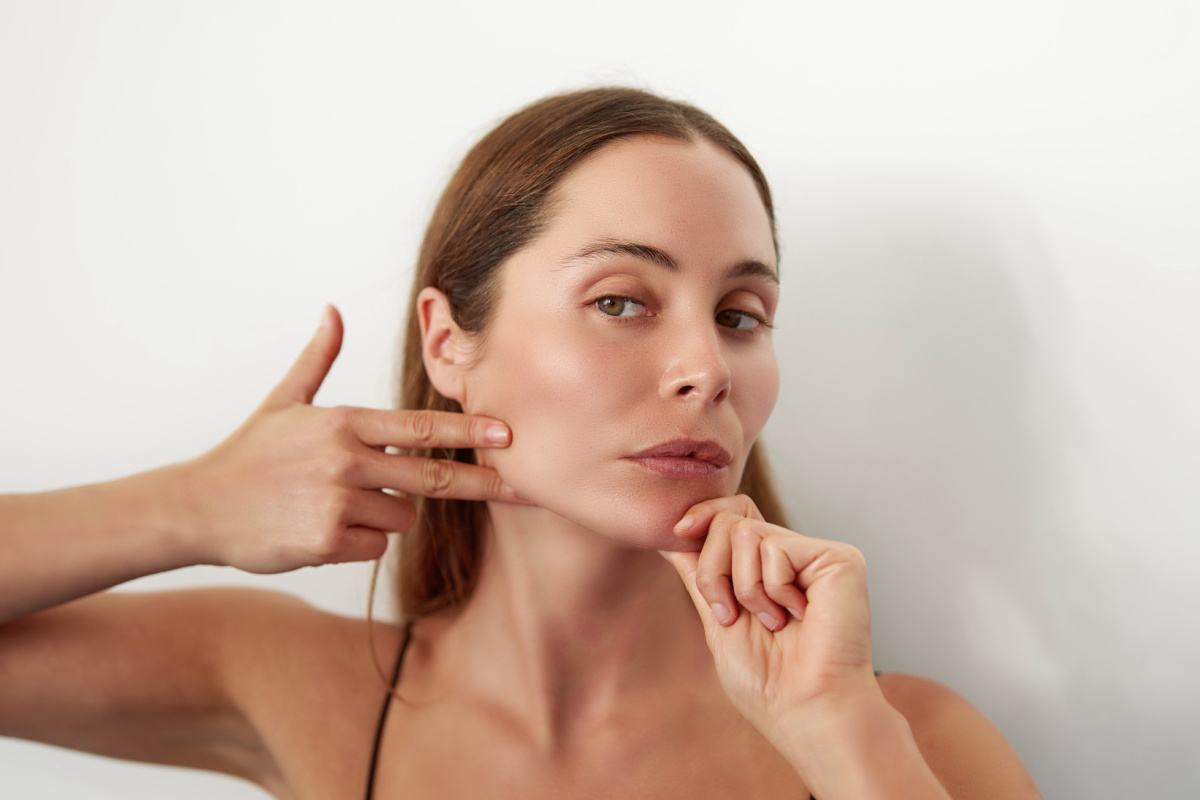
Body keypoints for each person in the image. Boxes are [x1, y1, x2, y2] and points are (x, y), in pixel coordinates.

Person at [0, 87, 1040, 799]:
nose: (709, 366)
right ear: (450, 343)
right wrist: (189, 507)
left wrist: (843, 743)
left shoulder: (909, 737)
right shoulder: (303, 684)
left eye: (741, 313)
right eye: (623, 299)